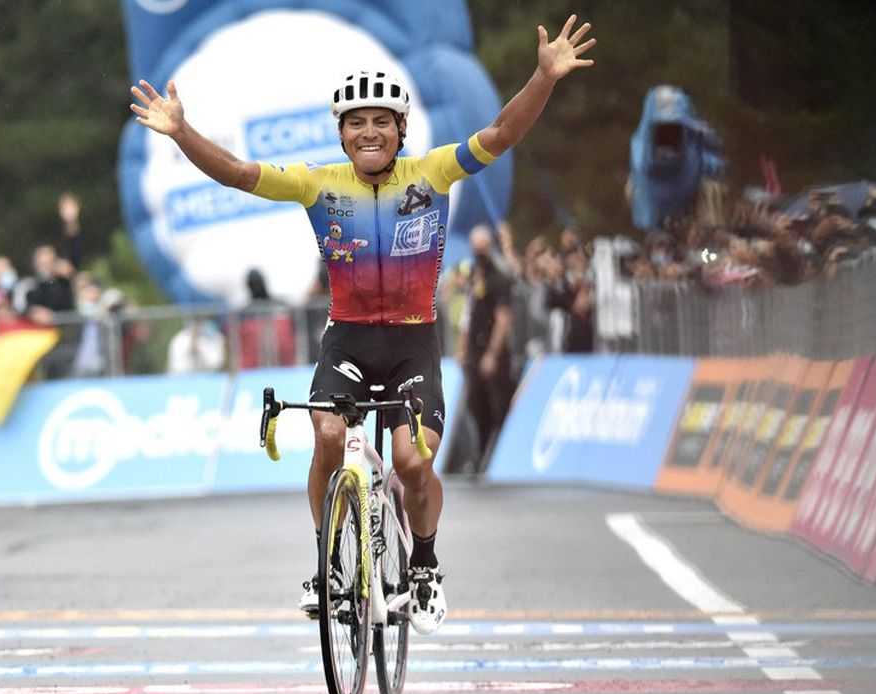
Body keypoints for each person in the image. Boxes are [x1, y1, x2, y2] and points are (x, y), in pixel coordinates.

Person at [130, 13, 595, 635]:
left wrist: (542, 78)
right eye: (357, 123)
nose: (369, 131)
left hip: (412, 343)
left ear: (400, 131)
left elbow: (503, 133)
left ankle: (425, 569)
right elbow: (238, 173)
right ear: (343, 135)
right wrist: (183, 132)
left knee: (409, 463)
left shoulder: (434, 172)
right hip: (347, 338)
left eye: (381, 122)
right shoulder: (317, 185)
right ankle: (327, 568)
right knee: (326, 438)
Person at [460, 226, 514, 468]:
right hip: (475, 350)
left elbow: (503, 318)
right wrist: (464, 348)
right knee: (476, 405)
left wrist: (493, 353)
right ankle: (480, 456)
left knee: (497, 405)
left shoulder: (499, 278)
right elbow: (468, 315)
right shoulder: (474, 277)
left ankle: (500, 457)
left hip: (493, 352)